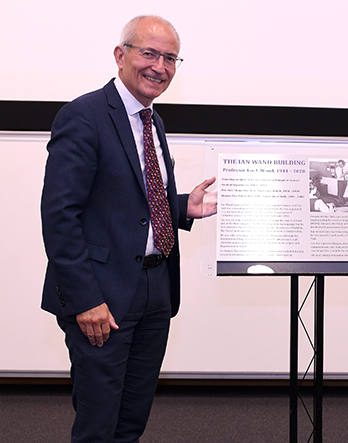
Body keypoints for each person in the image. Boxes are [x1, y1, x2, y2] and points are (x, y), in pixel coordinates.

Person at [40, 15, 217, 442]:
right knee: (98, 426)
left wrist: (180, 209)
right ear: (121, 55)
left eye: (170, 58)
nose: (160, 66)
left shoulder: (152, 121)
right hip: (102, 296)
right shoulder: (83, 115)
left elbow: (131, 202)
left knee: (131, 420)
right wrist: (85, 300)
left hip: (156, 290)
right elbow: (60, 215)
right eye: (150, 53)